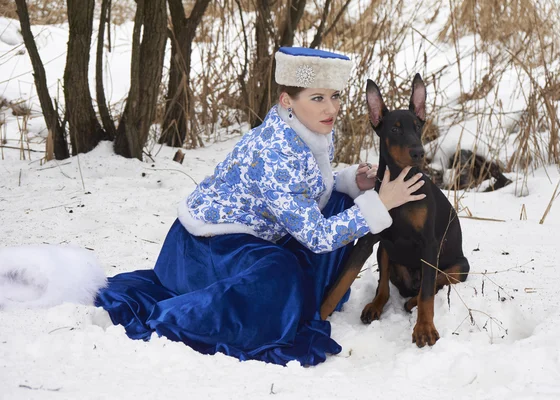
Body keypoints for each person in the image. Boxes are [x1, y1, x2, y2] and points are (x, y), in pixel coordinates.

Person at [94, 46, 425, 366]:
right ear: (287, 101)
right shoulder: (274, 149)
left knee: (341, 202)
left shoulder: (309, 127)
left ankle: (307, 299)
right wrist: (380, 202)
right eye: (317, 98)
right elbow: (317, 236)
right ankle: (196, 316)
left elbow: (302, 187)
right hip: (203, 249)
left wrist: (351, 182)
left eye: (335, 96)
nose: (331, 109)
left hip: (248, 236)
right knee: (281, 271)